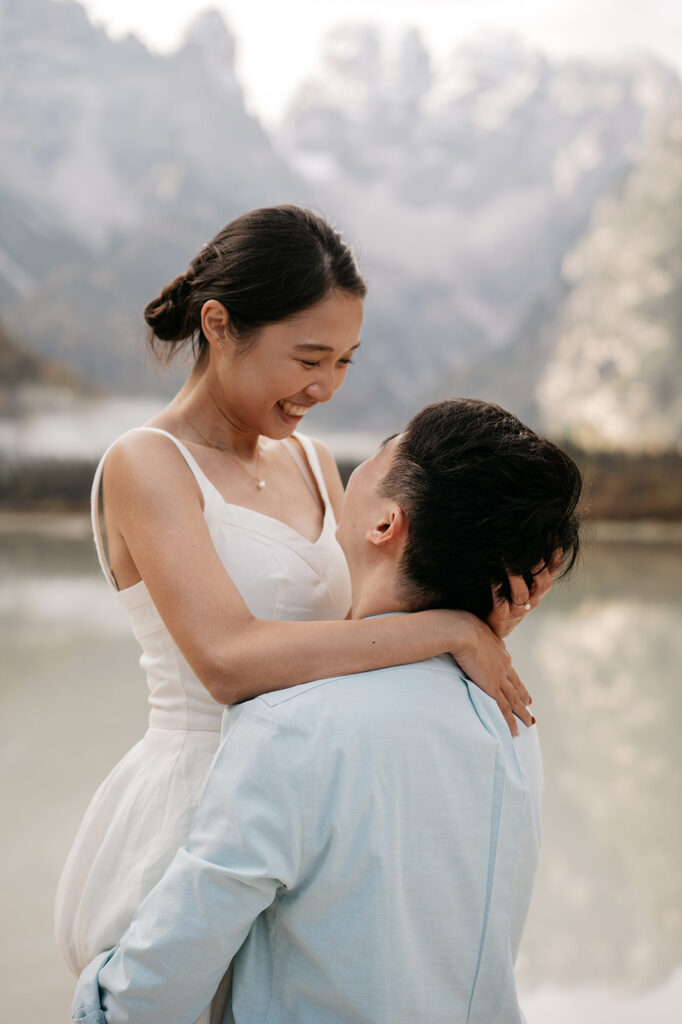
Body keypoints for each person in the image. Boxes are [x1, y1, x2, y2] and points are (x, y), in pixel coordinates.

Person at [55, 206, 549, 979]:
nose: (326, 386)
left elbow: (354, 637)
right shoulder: (146, 464)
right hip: (194, 805)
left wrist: (485, 614)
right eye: (309, 357)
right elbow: (228, 660)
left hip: (313, 805)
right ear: (219, 325)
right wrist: (450, 631)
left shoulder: (316, 462)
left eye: (346, 361)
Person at [71, 398, 582, 1024]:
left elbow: (159, 984)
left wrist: (97, 996)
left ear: (386, 523)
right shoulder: (510, 717)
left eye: (377, 454)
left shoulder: (288, 728)